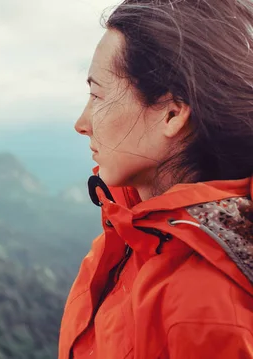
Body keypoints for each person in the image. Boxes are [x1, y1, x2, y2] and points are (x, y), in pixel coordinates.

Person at [59, 0, 253, 358]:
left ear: (172, 113)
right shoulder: (132, 232)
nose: (81, 123)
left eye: (97, 95)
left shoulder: (206, 312)